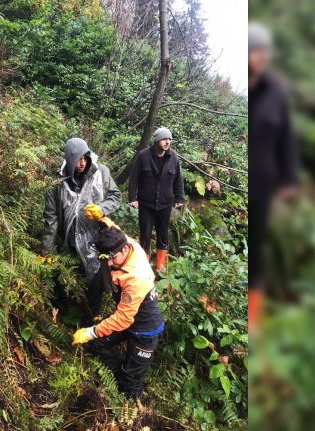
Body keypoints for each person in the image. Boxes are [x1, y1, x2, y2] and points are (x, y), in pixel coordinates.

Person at [71, 225, 164, 400]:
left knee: (131, 378)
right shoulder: (124, 242)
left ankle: (135, 400)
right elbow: (112, 227)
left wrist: (90, 332)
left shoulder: (136, 278)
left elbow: (122, 319)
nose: (110, 263)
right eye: (106, 258)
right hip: (127, 318)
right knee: (97, 344)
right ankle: (118, 374)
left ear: (125, 249)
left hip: (145, 331)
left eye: (113, 258)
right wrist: (99, 216)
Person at [248, 22, 300, 329]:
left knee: (259, 248)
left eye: (263, 51)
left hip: (265, 184)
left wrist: (290, 179)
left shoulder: (277, 91)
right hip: (245, 182)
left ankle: (256, 316)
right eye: (254, 50)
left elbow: (287, 138)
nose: (259, 57)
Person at [42, 138, 121, 321]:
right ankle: (64, 314)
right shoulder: (58, 182)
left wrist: (102, 208)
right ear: (69, 160)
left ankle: (93, 319)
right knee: (69, 277)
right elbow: (51, 219)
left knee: (97, 281)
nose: (82, 163)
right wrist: (47, 250)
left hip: (98, 238)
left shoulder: (101, 172)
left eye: (85, 158)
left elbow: (115, 196)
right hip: (69, 241)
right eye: (77, 159)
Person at [127, 127, 185, 271]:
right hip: (146, 204)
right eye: (165, 139)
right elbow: (134, 178)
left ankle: (160, 267)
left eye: (170, 139)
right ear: (157, 140)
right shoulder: (143, 156)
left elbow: (178, 179)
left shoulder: (174, 157)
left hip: (165, 205)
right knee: (145, 234)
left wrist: (179, 198)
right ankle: (144, 266)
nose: (168, 142)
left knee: (163, 235)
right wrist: (132, 198)